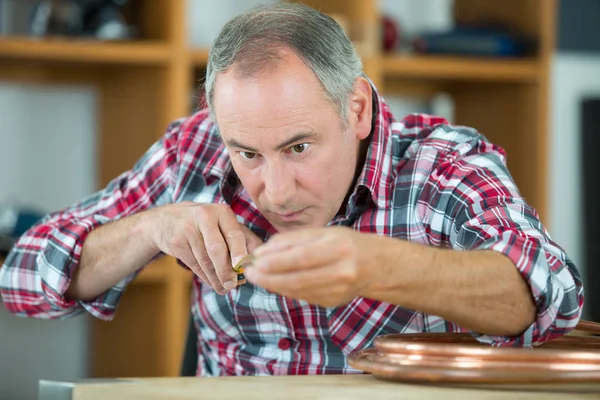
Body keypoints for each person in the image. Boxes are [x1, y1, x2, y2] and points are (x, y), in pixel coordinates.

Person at [0, 3, 584, 376]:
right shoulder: (193, 150)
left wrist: (374, 266)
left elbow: (551, 298)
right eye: (247, 153)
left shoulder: (444, 163)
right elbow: (19, 280)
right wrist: (149, 227)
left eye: (299, 148)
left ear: (355, 108)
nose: (274, 192)